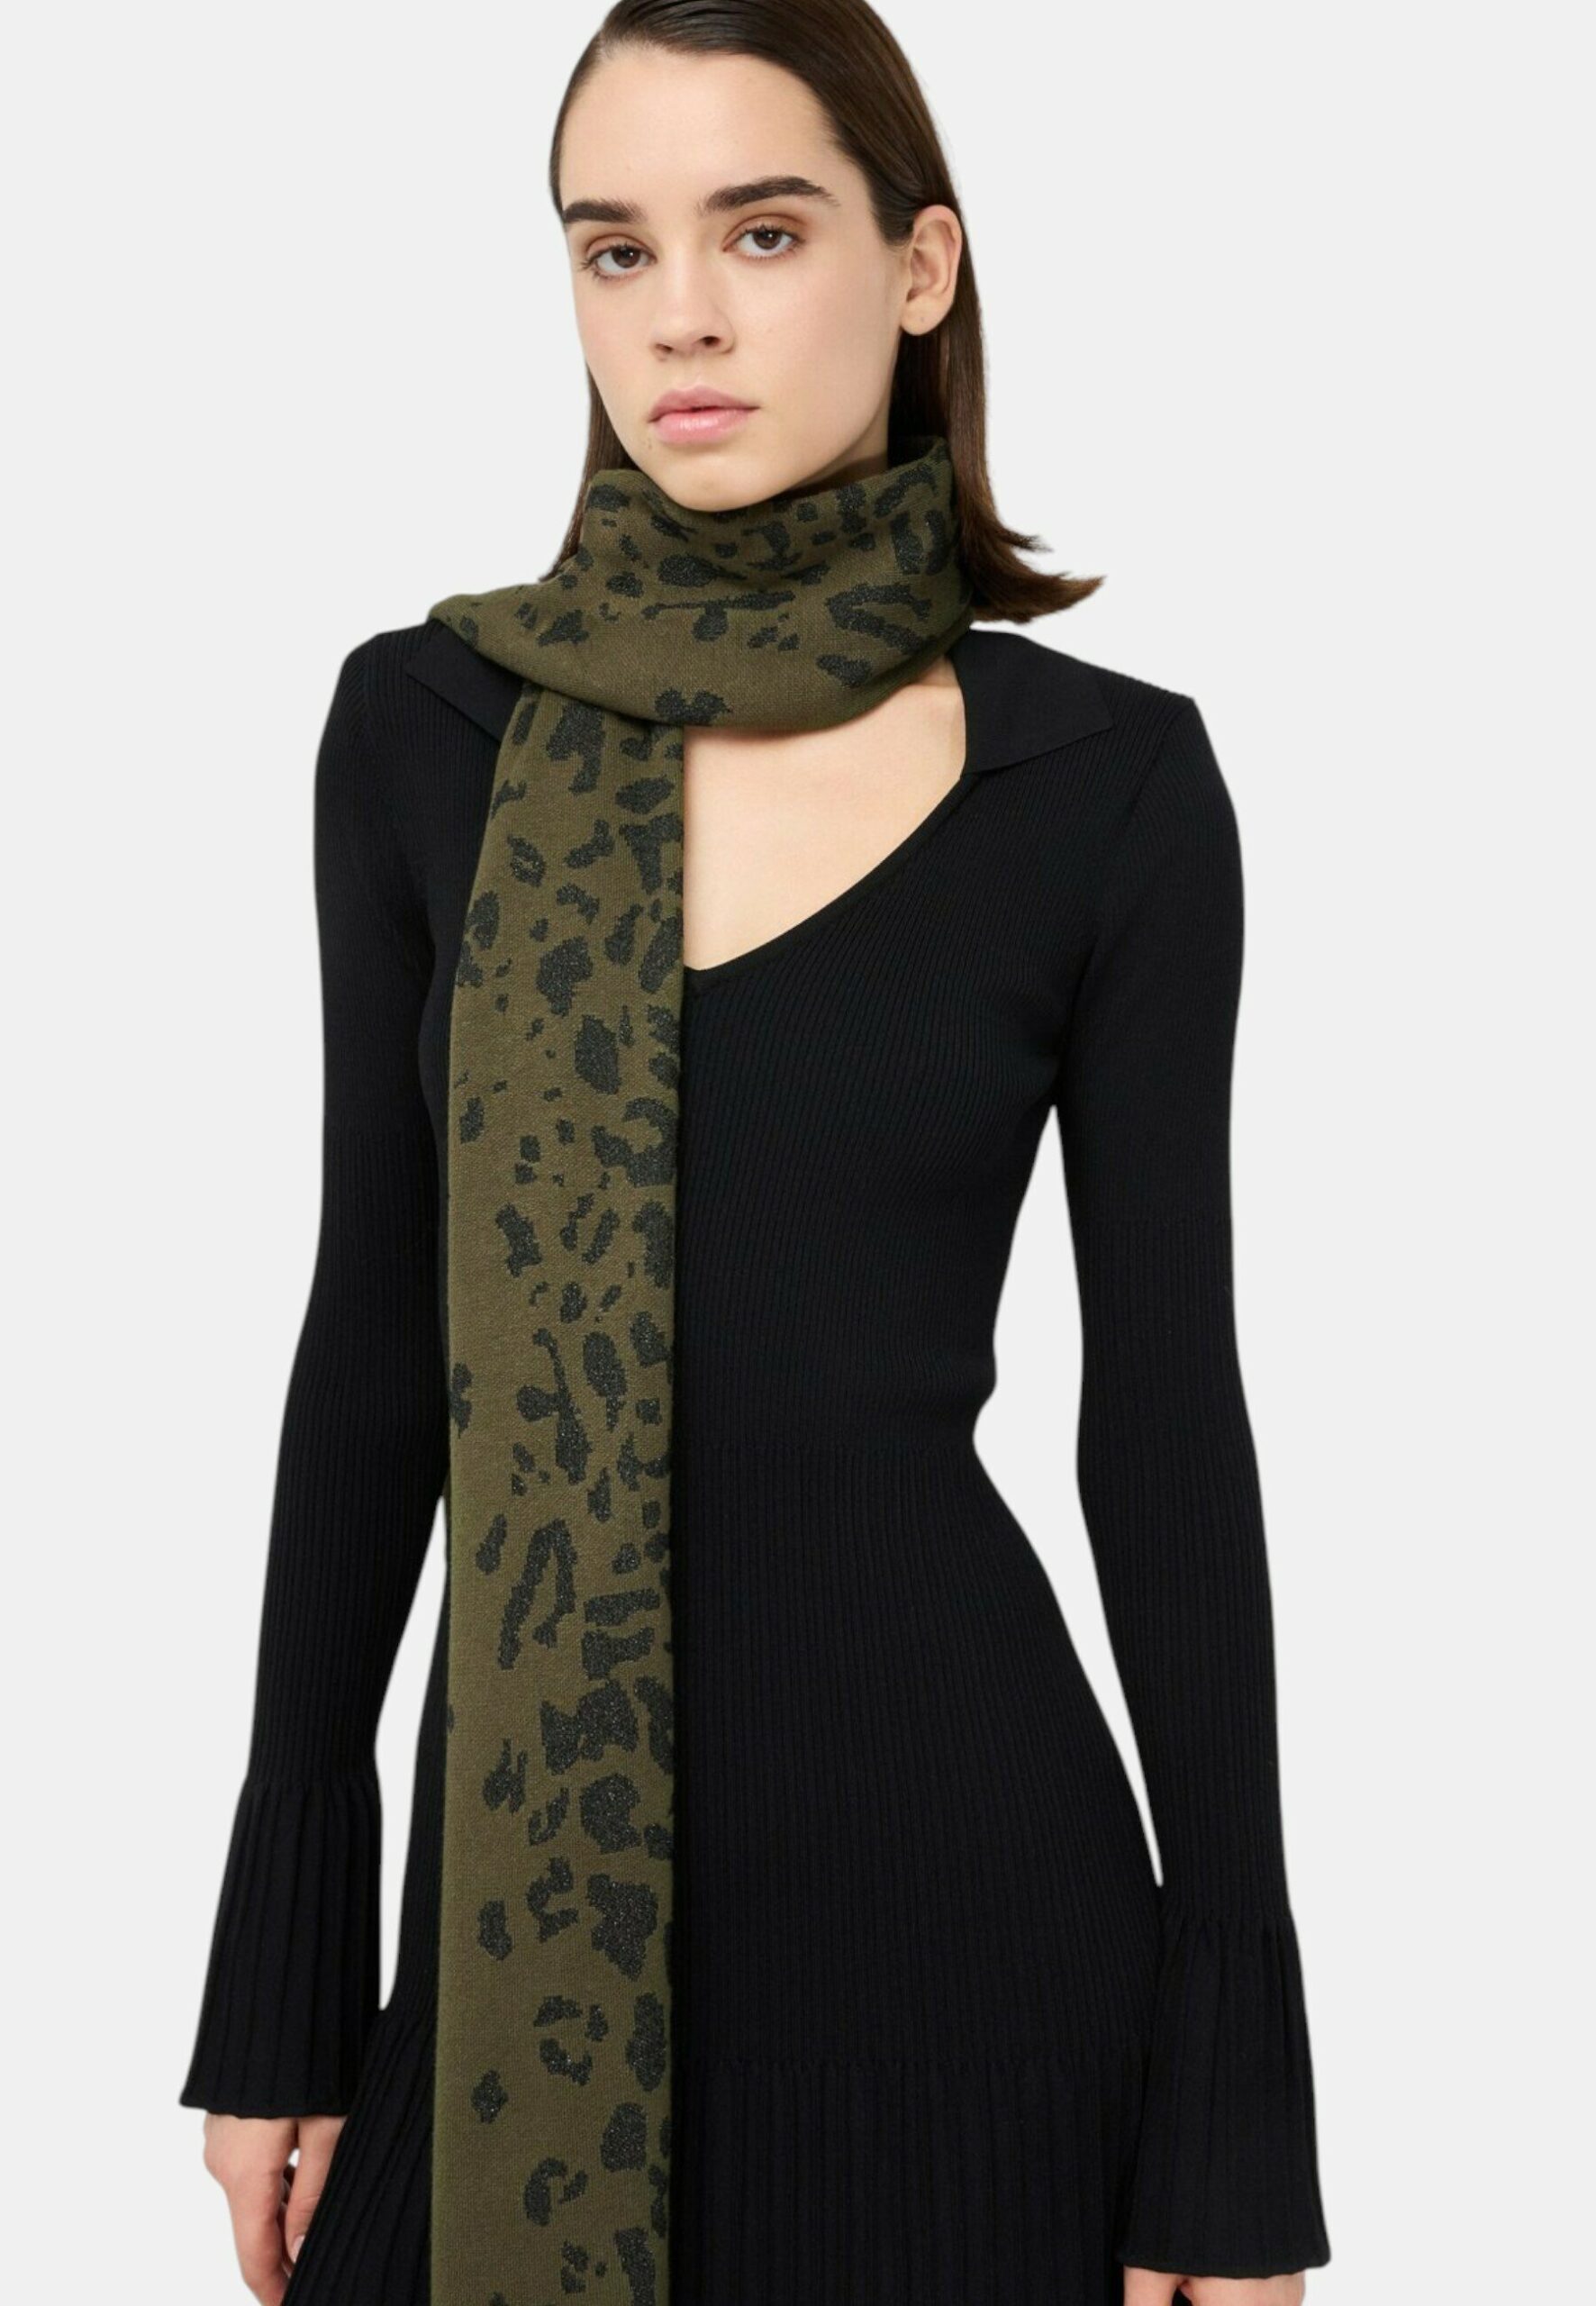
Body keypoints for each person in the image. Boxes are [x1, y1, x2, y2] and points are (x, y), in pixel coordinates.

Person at [178, 5, 1332, 2302]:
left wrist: (1236, 2092)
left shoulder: (1105, 786)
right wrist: (283, 1965)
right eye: (613, 247)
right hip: (509, 1955)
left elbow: (1164, 1424)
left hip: (979, 1962)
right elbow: (374, 1355)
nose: (679, 313)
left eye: (764, 230)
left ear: (919, 266)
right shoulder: (424, 731)